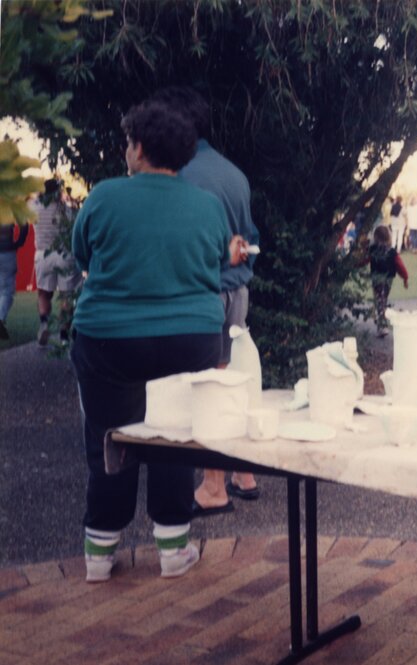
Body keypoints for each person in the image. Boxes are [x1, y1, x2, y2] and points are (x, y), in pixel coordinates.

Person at [71, 100, 233, 582]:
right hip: (191, 337)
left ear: (139, 148)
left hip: (109, 339)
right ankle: (172, 550)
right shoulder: (207, 205)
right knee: (174, 437)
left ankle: (99, 555)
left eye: (127, 142)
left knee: (108, 435)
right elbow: (218, 263)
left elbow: (83, 252)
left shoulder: (103, 197)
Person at [152, 86, 261, 515]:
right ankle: (242, 473)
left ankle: (213, 486)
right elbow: (250, 240)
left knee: (205, 391)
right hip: (238, 291)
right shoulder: (234, 174)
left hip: (200, 294)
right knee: (228, 379)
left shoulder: (180, 176)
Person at [32, 178, 84, 346]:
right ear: (59, 192)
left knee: (43, 293)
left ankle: (44, 323)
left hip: (42, 255)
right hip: (65, 255)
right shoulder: (68, 211)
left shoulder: (34, 208)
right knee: (67, 296)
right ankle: (63, 336)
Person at [368, 225, 408, 337]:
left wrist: (353, 264)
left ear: (375, 237)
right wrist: (405, 278)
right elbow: (400, 266)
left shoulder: (372, 250)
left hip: (377, 279)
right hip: (388, 280)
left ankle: (382, 325)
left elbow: (363, 260)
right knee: (382, 300)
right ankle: (382, 324)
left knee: (380, 300)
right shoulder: (392, 252)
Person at [0, 219, 28, 341]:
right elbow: (24, 224)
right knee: (7, 291)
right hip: (7, 251)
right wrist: (19, 242)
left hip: (7, 251)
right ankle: (0, 319)